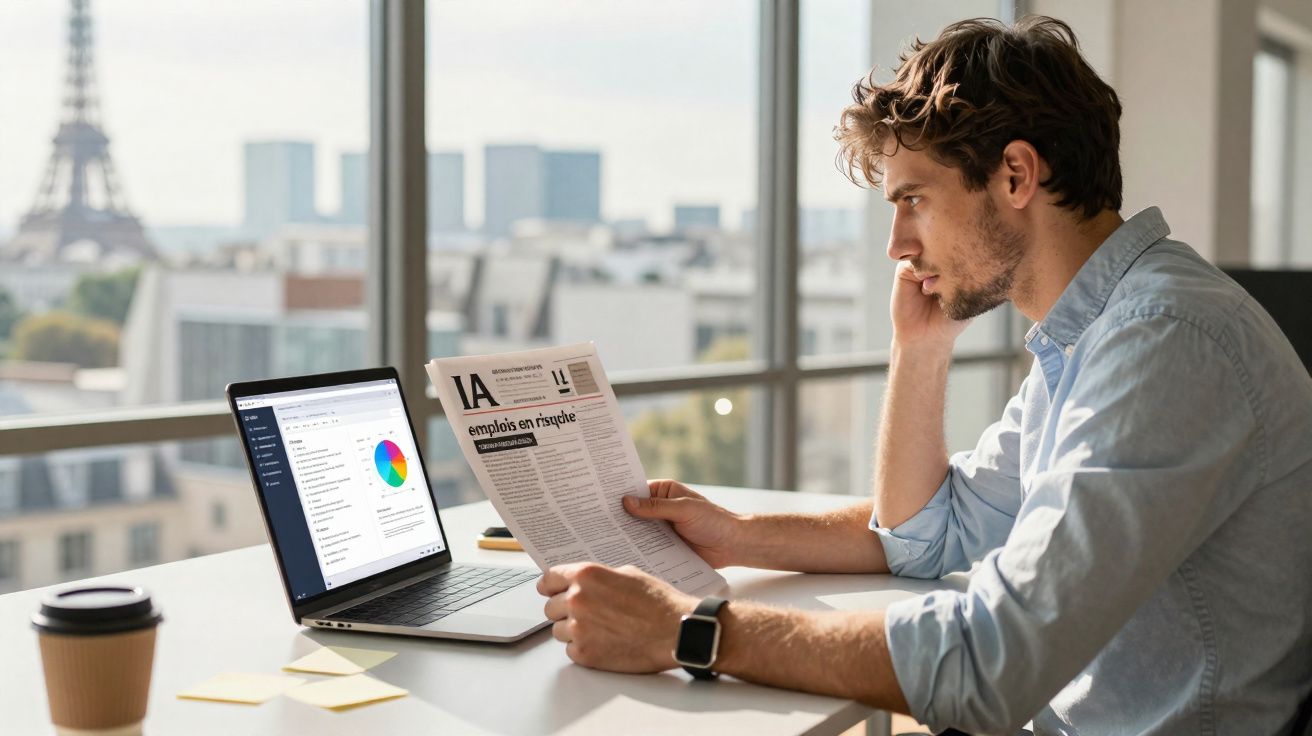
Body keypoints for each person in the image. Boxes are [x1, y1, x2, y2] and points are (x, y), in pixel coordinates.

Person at [537, 16, 1312, 734]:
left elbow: (989, 663)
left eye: (913, 199)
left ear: (1016, 175)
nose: (897, 245)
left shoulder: (1164, 342)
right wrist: (916, 353)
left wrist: (686, 630)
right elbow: (930, 532)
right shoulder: (1095, 334)